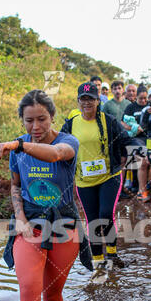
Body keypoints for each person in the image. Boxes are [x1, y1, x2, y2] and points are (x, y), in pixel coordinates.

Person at [0, 89, 92, 301]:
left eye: (42, 120)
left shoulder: (68, 141)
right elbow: (15, 186)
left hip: (63, 223)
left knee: (52, 292)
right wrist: (20, 219)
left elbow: (56, 154)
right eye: (29, 120)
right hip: (29, 222)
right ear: (22, 120)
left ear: (52, 117)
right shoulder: (18, 148)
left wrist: (19, 145)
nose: (35, 126)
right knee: (28, 286)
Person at [61, 82, 130, 278]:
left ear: (98, 101)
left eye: (90, 99)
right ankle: (99, 262)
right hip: (84, 180)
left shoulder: (108, 120)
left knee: (105, 213)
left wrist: (123, 158)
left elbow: (123, 139)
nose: (87, 102)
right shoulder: (71, 123)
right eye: (83, 99)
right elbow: (59, 145)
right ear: (78, 101)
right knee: (92, 220)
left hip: (109, 176)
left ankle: (112, 253)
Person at [122, 86, 150, 199]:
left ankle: (143, 187)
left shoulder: (150, 106)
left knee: (147, 164)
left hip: (149, 137)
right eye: (140, 98)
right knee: (140, 162)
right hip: (135, 138)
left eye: (145, 98)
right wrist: (133, 128)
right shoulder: (131, 107)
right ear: (136, 97)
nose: (143, 101)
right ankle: (140, 191)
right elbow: (122, 122)